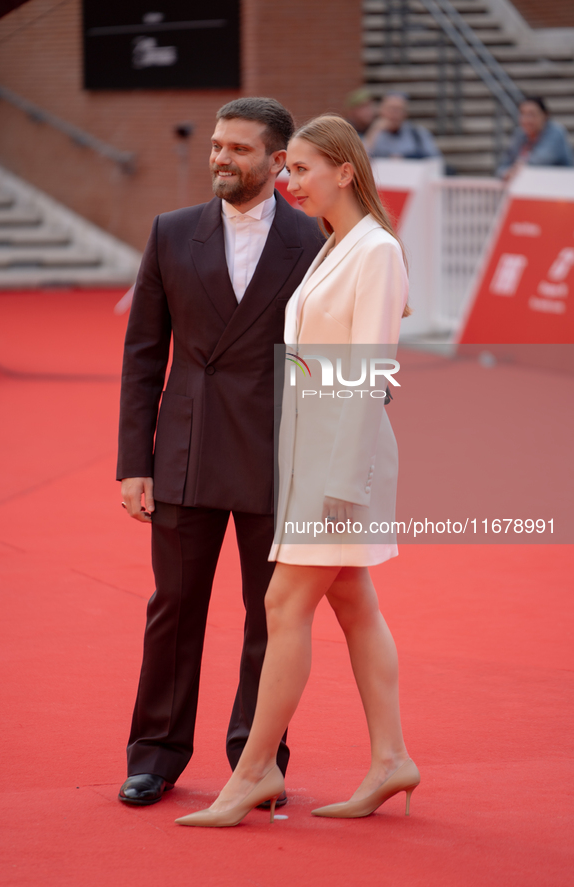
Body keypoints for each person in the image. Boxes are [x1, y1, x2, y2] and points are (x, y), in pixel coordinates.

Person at [175, 116, 419, 828]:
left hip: (340, 466)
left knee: (282, 606)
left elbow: (369, 373)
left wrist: (340, 484)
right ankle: (390, 758)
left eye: (303, 169)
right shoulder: (337, 244)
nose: (289, 183)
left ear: (345, 170)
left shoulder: (372, 250)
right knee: (353, 604)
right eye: (288, 171)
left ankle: (253, 769)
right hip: (314, 458)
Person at [117, 97, 324, 806]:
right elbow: (143, 354)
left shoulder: (314, 240)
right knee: (174, 607)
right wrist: (133, 461)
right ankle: (155, 753)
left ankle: (255, 755)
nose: (219, 159)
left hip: (277, 456)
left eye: (237, 149)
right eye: (215, 146)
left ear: (275, 162)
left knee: (271, 612)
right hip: (184, 451)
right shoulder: (171, 233)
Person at [496, 96, 574, 180]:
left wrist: (516, 169)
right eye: (522, 114)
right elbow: (502, 166)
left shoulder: (556, 132)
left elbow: (540, 161)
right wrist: (506, 173)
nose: (526, 119)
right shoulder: (519, 134)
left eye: (532, 114)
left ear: (545, 115)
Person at [364, 91, 440, 160]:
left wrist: (406, 158)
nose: (394, 114)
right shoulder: (370, 133)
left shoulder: (418, 134)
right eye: (390, 109)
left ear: (405, 113)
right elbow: (362, 161)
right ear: (381, 110)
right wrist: (373, 132)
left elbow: (435, 160)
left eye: (398, 109)